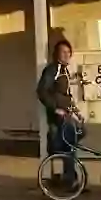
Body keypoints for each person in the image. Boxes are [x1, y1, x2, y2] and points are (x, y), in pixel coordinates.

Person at [36, 38, 80, 188]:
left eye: (68, 52)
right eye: (63, 52)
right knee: (70, 144)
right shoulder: (52, 70)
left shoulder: (64, 70)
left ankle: (59, 150)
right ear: (56, 54)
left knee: (77, 135)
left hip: (67, 114)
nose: (66, 55)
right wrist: (55, 109)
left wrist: (76, 111)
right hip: (59, 116)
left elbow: (66, 96)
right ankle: (69, 179)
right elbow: (42, 91)